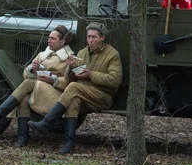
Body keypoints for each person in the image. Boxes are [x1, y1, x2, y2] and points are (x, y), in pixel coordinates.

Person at [28, 22, 123, 154]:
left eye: (94, 37)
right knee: (73, 101)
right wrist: (71, 68)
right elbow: (69, 80)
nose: (90, 40)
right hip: (82, 93)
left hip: (102, 96)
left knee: (74, 88)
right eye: (88, 36)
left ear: (102, 38)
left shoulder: (112, 54)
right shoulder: (83, 53)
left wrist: (91, 75)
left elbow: (114, 80)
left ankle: (47, 122)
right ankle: (69, 143)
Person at [0, 25, 75, 147]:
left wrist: (52, 79)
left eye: (53, 38)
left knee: (29, 84)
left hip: (57, 96)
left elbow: (69, 83)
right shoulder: (42, 55)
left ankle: (1, 112)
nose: (48, 40)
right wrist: (32, 70)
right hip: (39, 90)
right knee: (23, 97)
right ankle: (22, 137)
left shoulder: (69, 59)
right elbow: (25, 74)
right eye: (48, 37)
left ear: (62, 41)